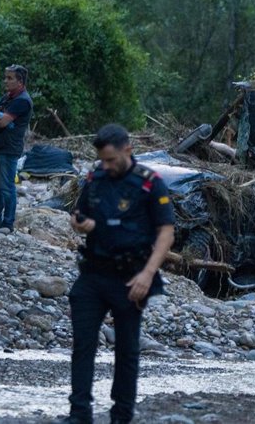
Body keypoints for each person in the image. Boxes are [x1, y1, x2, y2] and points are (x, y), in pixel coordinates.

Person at [64, 124, 175, 424]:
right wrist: (80, 224)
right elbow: (80, 212)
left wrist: (148, 275)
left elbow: (166, 232)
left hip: (131, 276)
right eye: (103, 160)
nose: (107, 166)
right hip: (93, 272)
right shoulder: (95, 177)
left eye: (112, 160)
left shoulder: (149, 183)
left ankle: (121, 415)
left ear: (128, 149)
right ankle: (79, 414)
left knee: (126, 351)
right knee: (83, 345)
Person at [0, 64, 33, 233]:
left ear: (20, 81)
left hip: (8, 149)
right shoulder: (8, 97)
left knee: (6, 186)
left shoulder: (22, 100)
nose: (6, 81)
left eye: (10, 78)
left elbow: (0, 120)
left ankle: (8, 223)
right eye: (6, 77)